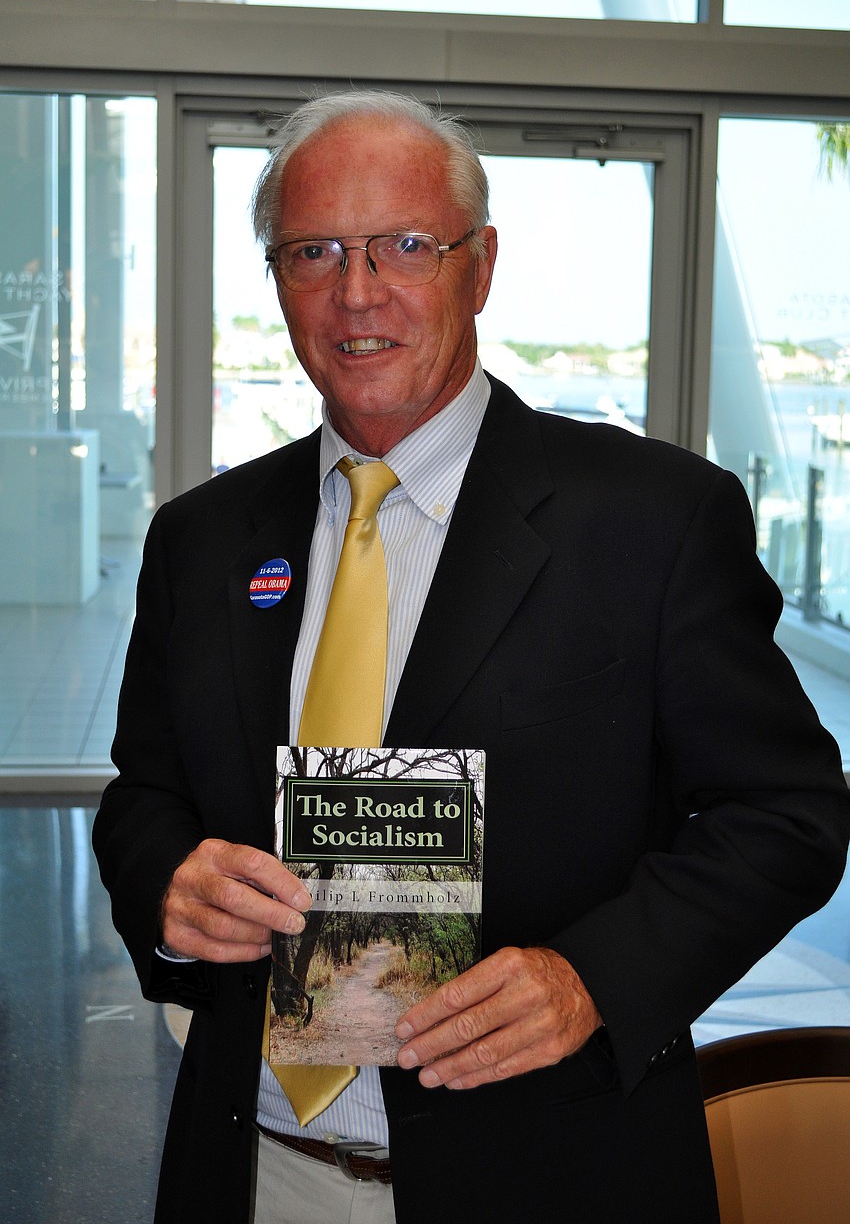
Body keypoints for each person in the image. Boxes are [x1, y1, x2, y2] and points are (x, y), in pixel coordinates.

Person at [93, 90, 850, 1224]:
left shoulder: (651, 520)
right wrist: (165, 880)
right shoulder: (201, 537)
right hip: (255, 1168)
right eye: (313, 252)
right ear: (278, 278)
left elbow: (788, 812)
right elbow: (143, 792)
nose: (358, 293)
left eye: (404, 244)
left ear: (479, 264)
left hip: (547, 1172)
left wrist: (592, 977)